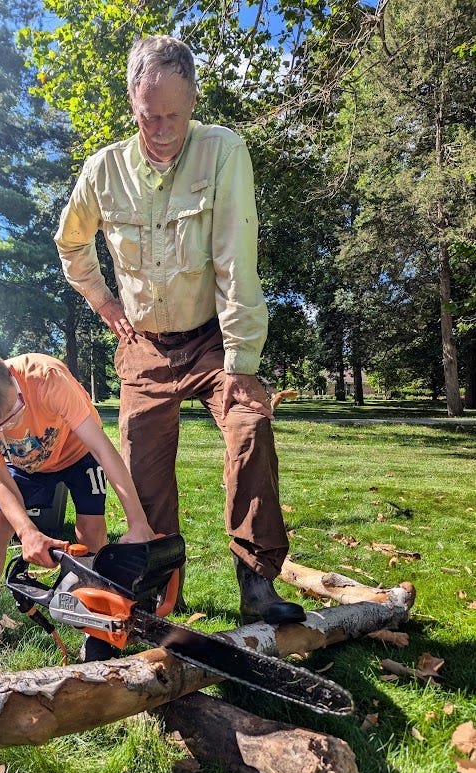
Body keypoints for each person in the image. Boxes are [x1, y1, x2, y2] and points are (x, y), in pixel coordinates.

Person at [54, 35, 305, 626]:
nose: (161, 128)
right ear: (132, 104)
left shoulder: (222, 152)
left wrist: (242, 362)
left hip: (214, 338)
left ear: (193, 99)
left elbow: (236, 258)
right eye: (148, 116)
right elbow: (71, 243)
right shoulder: (104, 170)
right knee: (142, 470)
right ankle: (164, 587)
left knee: (249, 426)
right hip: (143, 344)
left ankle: (256, 582)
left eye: (173, 114)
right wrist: (103, 300)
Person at [0, 345, 156, 655]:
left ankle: (95, 619)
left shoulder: (47, 379)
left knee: (91, 528)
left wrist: (138, 522)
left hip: (78, 451)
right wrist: (26, 532)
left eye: (13, 414)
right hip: (26, 464)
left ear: (10, 378)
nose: (7, 429)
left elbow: (103, 450)